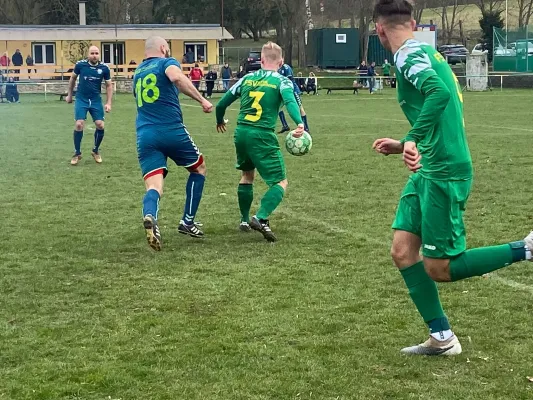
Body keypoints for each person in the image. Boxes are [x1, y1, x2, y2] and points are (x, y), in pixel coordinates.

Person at [372, 0, 533, 356]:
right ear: (413, 24)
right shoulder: (427, 53)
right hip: (429, 165)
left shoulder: (407, 56)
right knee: (402, 251)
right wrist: (405, 143)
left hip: (443, 169)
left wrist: (413, 137)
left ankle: (527, 248)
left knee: (440, 267)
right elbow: (439, 105)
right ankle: (442, 338)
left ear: (379, 29)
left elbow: (439, 93)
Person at [215, 42, 304, 242]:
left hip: (241, 133)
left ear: (261, 60)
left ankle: (244, 220)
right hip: (262, 134)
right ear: (281, 62)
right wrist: (299, 122)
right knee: (280, 182)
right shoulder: (282, 81)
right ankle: (261, 217)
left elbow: (221, 104)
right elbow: (290, 101)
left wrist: (220, 120)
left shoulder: (246, 78)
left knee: (247, 175)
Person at [134, 36, 213, 251]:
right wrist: (202, 99)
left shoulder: (138, 72)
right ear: (163, 48)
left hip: (145, 135)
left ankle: (150, 215)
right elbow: (177, 77)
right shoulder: (166, 63)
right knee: (199, 169)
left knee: (154, 186)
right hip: (170, 130)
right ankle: (187, 221)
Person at [66, 46, 113, 165]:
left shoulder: (104, 68)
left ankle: (95, 151)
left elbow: (109, 85)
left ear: (99, 54)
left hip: (95, 100)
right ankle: (77, 153)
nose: (94, 55)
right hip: (81, 99)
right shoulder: (80, 65)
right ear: (88, 55)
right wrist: (70, 95)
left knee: (100, 125)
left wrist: (108, 103)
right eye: (92, 53)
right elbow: (72, 79)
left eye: (96, 53)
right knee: (79, 124)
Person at [277, 62, 310, 134]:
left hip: (292, 90)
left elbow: (288, 80)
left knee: (300, 108)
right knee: (278, 107)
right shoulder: (278, 69)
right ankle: (285, 125)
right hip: (283, 91)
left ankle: (306, 128)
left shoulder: (286, 68)